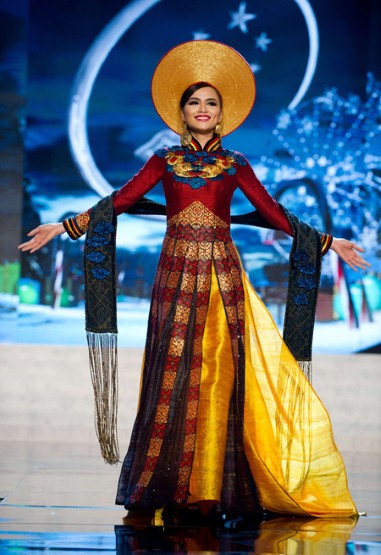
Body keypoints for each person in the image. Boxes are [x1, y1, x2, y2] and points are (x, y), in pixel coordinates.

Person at [19, 41, 368, 522]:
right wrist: (66, 225)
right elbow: (120, 200)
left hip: (223, 276)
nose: (202, 110)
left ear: (222, 115)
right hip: (174, 277)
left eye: (211, 103)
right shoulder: (163, 160)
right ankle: (163, 484)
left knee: (222, 374)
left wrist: (331, 242)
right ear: (181, 113)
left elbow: (272, 213)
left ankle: (214, 487)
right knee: (172, 370)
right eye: (194, 102)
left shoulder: (236, 164)